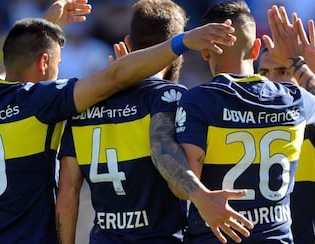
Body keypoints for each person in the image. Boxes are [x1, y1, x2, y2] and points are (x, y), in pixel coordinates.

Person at [0, 0, 240, 242]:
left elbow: (8, 71)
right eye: (57, 65)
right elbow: (114, 77)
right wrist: (183, 41)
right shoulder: (40, 100)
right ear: (44, 62)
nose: (57, 73)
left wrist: (45, 24)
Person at [55, 0, 254, 243]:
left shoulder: (83, 106)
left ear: (129, 43)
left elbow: (67, 192)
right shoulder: (172, 98)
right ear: (178, 52)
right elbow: (167, 155)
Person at [174, 1, 315, 243]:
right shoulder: (295, 99)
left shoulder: (198, 101)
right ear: (255, 50)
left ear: (205, 51)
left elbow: (182, 185)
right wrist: (298, 62)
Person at [257, 11, 315, 243]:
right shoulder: (240, 124)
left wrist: (308, 70)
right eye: (263, 73)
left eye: (283, 71)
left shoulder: (312, 128)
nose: (271, 81)